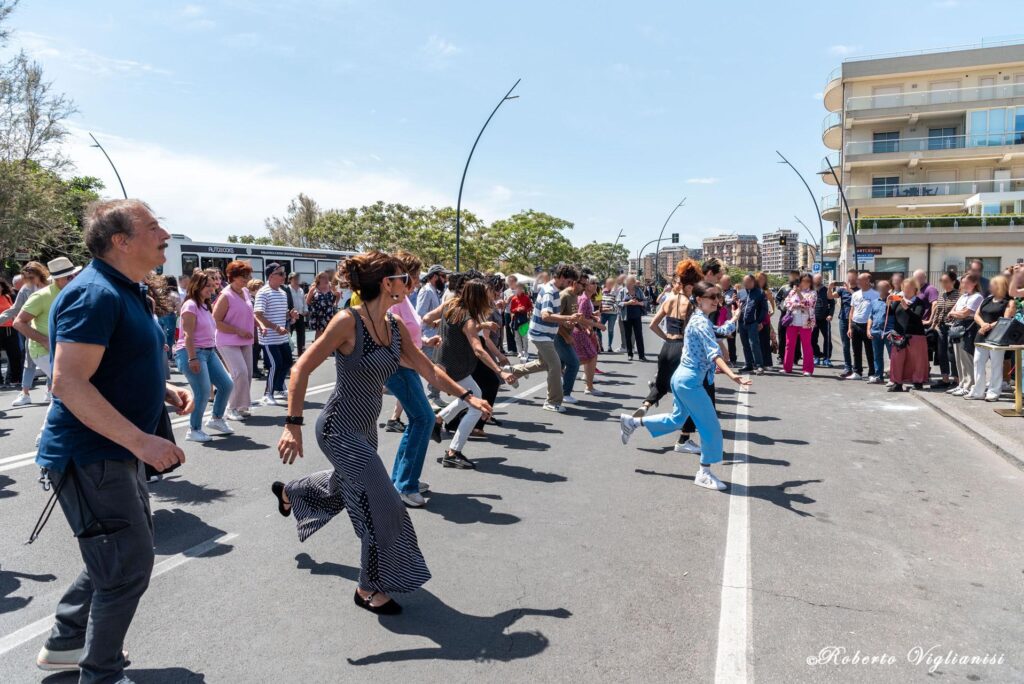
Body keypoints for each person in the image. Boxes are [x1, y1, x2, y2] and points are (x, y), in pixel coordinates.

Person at [272, 252, 492, 615]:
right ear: (387, 284)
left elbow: (430, 372)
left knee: (344, 487)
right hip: (338, 428)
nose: (409, 284)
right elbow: (300, 369)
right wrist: (291, 424)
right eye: (404, 278)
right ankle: (368, 587)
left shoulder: (395, 327)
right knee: (381, 505)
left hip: (365, 429)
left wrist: (468, 396)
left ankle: (292, 494)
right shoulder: (347, 322)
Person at [33, 199, 193, 681]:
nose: (164, 232)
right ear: (121, 241)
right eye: (152, 226)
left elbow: (111, 362)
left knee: (118, 555)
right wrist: (143, 442)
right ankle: (100, 673)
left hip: (111, 452)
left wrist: (160, 388)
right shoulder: (94, 293)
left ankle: (65, 642)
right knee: (127, 565)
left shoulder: (125, 289)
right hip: (92, 454)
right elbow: (69, 382)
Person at [619, 281, 749, 491]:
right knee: (711, 427)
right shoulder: (699, 322)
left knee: (677, 419)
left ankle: (632, 423)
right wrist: (732, 374)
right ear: (699, 299)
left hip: (684, 379)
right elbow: (713, 352)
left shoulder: (700, 319)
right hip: (689, 382)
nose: (717, 301)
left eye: (718, 296)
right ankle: (704, 473)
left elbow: (718, 331)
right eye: (712, 297)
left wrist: (735, 317)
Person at [431, 279, 516, 467]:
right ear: (477, 297)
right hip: (457, 367)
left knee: (470, 397)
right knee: (477, 406)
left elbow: (432, 320)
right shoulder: (467, 317)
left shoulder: (451, 305)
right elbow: (478, 349)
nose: (489, 299)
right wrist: (499, 371)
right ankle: (453, 452)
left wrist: (481, 326)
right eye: (486, 295)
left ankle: (438, 419)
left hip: (444, 363)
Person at [635, 259, 707, 453]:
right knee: (692, 395)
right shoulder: (692, 305)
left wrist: (667, 337)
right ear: (691, 285)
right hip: (682, 349)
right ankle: (684, 439)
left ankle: (647, 404)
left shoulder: (670, 300)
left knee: (661, 384)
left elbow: (653, 324)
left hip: (667, 347)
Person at [384, 251, 438, 507]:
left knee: (419, 420)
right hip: (401, 367)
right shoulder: (394, 302)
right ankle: (405, 484)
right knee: (424, 419)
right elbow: (393, 341)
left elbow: (410, 334)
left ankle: (403, 478)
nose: (416, 281)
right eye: (413, 276)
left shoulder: (403, 300)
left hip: (408, 366)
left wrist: (425, 340)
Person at [14, 257, 82, 444]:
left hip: (63, 350)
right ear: (57, 279)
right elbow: (18, 323)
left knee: (64, 390)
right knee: (66, 389)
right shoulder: (41, 296)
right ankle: (46, 435)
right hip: (43, 351)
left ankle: (55, 433)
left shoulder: (71, 292)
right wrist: (45, 340)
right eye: (69, 277)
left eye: (74, 275)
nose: (73, 279)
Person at [509, 264, 582, 413]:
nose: (570, 286)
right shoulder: (550, 291)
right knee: (555, 366)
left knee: (544, 364)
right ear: (561, 277)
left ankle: (513, 371)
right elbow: (546, 315)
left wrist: (564, 320)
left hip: (544, 334)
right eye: (569, 282)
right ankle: (552, 402)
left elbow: (550, 316)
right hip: (541, 335)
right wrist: (568, 317)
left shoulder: (552, 289)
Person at [174, 271, 235, 441]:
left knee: (226, 385)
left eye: (212, 285)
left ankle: (216, 419)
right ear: (197, 286)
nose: (212, 288)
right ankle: (193, 430)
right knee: (202, 391)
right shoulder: (190, 305)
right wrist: (192, 358)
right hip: (192, 352)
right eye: (207, 285)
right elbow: (188, 335)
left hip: (209, 351)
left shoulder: (205, 305)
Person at [213, 260, 256, 422]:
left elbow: (248, 313)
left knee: (248, 373)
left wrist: (260, 326)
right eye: (243, 276)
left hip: (246, 340)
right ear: (233, 277)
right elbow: (215, 321)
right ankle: (230, 408)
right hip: (227, 340)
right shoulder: (226, 295)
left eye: (247, 276)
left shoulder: (244, 291)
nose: (246, 279)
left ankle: (241, 406)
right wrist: (238, 330)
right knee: (240, 373)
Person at [967, 275, 1014, 401]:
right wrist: (982, 325)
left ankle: (994, 391)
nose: (990, 286)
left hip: (997, 337)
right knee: (978, 362)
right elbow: (977, 314)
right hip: (981, 334)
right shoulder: (987, 299)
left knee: (996, 364)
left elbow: (1006, 319)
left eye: (993, 284)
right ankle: (978, 391)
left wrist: (988, 326)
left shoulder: (1009, 302)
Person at [254, 263, 293, 406]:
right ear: (271, 276)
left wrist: (290, 315)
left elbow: (282, 315)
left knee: (288, 362)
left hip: (281, 337)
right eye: (281, 274)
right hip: (269, 338)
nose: (284, 276)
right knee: (275, 365)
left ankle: (279, 387)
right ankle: (267, 394)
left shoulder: (283, 292)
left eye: (284, 273)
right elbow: (258, 315)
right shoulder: (263, 292)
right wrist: (276, 327)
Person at [884, 278, 930, 392]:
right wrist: (888, 303)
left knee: (917, 361)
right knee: (897, 360)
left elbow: (917, 317)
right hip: (899, 334)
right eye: (905, 288)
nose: (907, 290)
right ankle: (897, 383)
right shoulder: (898, 299)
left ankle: (918, 382)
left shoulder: (919, 302)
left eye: (910, 288)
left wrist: (906, 307)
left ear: (915, 289)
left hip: (916, 335)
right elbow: (889, 314)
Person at [945, 274, 984, 397]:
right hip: (958, 327)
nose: (963, 285)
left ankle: (969, 385)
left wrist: (956, 313)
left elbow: (965, 313)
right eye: (962, 282)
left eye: (966, 282)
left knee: (967, 357)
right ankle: (962, 383)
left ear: (974, 283)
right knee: (958, 358)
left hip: (968, 328)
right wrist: (957, 313)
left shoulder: (977, 296)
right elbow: (953, 311)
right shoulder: (963, 297)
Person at [416, 264, 448, 407]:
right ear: (434, 276)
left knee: (438, 367)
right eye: (443, 276)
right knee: (433, 369)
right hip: (428, 337)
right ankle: (431, 398)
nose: (445, 279)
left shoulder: (435, 291)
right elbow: (420, 315)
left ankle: (434, 396)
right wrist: (435, 323)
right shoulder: (427, 291)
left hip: (435, 337)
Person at [844, 272, 879, 380]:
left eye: (860, 279)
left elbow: (876, 311)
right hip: (855, 324)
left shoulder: (875, 294)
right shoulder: (855, 294)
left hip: (868, 326)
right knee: (856, 350)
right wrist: (850, 327)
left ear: (867, 281)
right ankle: (857, 372)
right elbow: (851, 311)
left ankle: (872, 373)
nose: (857, 281)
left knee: (870, 351)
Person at [928, 272, 960, 389]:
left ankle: (956, 379)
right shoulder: (942, 294)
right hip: (941, 327)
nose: (944, 284)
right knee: (941, 354)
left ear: (953, 281)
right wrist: (933, 325)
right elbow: (938, 311)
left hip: (952, 327)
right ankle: (945, 378)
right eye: (942, 281)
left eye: (946, 281)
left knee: (952, 353)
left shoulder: (959, 295)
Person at [574, 276, 605, 396]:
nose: (595, 285)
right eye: (592, 283)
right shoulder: (584, 299)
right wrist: (594, 325)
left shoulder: (587, 299)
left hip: (583, 331)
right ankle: (588, 387)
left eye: (596, 283)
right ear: (586, 286)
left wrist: (593, 315)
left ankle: (588, 386)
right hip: (580, 332)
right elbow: (580, 318)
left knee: (588, 358)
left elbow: (584, 315)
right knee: (588, 358)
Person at [555, 275, 584, 403]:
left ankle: (557, 392)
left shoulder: (575, 296)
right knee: (574, 363)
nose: (585, 287)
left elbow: (570, 316)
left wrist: (579, 325)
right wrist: (566, 336)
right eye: (582, 284)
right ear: (574, 283)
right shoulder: (564, 296)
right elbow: (555, 319)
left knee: (558, 366)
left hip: (567, 335)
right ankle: (565, 393)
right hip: (559, 336)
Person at [782, 273, 816, 376]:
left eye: (808, 281)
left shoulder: (812, 293)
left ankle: (808, 369)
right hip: (792, 321)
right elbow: (786, 303)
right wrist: (797, 305)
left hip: (806, 322)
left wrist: (800, 297)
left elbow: (809, 303)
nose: (805, 283)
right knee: (789, 345)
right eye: (804, 280)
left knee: (806, 346)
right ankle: (787, 367)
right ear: (800, 281)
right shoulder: (792, 292)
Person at [829, 270, 857, 376]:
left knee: (855, 345)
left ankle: (857, 368)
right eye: (849, 277)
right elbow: (830, 296)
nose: (850, 279)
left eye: (852, 277)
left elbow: (860, 298)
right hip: (843, 319)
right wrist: (830, 287)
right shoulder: (842, 290)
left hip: (856, 320)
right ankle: (847, 367)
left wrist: (849, 290)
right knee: (845, 345)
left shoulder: (859, 290)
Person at [738, 274, 767, 375]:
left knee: (754, 344)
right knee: (745, 345)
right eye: (744, 282)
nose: (745, 284)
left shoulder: (760, 293)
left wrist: (759, 321)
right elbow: (737, 306)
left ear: (753, 282)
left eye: (747, 282)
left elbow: (764, 309)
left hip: (753, 323)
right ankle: (748, 364)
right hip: (742, 323)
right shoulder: (740, 292)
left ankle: (759, 365)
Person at [0, 276, 23, 389]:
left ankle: (15, 379)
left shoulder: (8, 297)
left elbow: (14, 310)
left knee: (15, 354)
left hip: (10, 329)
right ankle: (0, 381)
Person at [618, 275, 647, 361]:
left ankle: (641, 355)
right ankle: (630, 354)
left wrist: (638, 303)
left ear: (634, 283)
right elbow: (618, 303)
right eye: (627, 283)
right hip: (626, 316)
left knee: (639, 335)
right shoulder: (622, 291)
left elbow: (645, 302)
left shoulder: (638, 290)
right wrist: (628, 303)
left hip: (637, 316)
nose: (629, 285)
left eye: (630, 283)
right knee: (628, 335)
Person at [775, 270, 801, 364]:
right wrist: (780, 306)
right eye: (791, 276)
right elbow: (777, 298)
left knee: (797, 337)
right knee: (782, 335)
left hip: (797, 316)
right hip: (785, 315)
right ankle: (781, 356)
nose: (793, 278)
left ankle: (796, 357)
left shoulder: (801, 287)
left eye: (795, 276)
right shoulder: (784, 287)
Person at [305, 271, 339, 341]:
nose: (326, 279)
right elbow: (307, 301)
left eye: (327, 277)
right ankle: (317, 349)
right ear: (319, 279)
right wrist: (313, 308)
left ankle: (329, 349)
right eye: (324, 277)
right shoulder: (314, 289)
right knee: (319, 333)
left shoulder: (331, 287)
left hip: (329, 314)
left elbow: (338, 294)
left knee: (329, 331)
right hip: (318, 314)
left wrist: (335, 304)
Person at [755, 272, 777, 368]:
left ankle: (767, 363)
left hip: (765, 320)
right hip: (754, 320)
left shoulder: (767, 291)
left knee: (765, 342)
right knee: (755, 343)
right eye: (759, 279)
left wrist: (767, 316)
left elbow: (772, 308)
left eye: (763, 279)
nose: (761, 281)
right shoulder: (751, 290)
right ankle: (756, 362)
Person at [246, 278, 266, 379]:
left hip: (255, 327)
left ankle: (255, 368)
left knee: (256, 349)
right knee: (254, 350)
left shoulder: (253, 299)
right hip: (252, 327)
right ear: (254, 288)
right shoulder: (251, 299)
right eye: (260, 288)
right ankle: (254, 369)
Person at [509, 282, 533, 362]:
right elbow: (511, 310)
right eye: (517, 288)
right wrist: (517, 309)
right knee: (517, 337)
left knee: (524, 337)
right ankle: (520, 352)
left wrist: (524, 309)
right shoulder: (513, 299)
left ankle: (525, 352)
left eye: (520, 288)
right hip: (516, 319)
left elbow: (531, 307)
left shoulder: (526, 298)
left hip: (524, 319)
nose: (519, 290)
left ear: (523, 289)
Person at [719, 274, 739, 365]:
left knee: (731, 340)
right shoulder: (718, 290)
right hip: (719, 319)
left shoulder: (733, 291)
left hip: (730, 318)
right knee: (718, 340)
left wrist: (731, 302)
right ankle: (720, 359)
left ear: (729, 282)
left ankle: (733, 359)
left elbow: (734, 304)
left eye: (726, 282)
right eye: (722, 282)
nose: (724, 284)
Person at [287, 273, 308, 355]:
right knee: (289, 333)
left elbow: (304, 301)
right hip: (291, 315)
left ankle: (301, 351)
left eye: (298, 279)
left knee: (301, 334)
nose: (297, 280)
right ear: (290, 279)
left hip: (300, 314)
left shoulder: (301, 290)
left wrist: (305, 309)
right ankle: (288, 351)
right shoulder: (287, 289)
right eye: (295, 279)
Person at [599, 277, 619, 353]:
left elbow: (617, 303)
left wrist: (608, 309)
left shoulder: (616, 292)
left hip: (612, 314)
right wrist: (602, 309)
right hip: (603, 313)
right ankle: (600, 345)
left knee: (610, 330)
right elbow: (599, 302)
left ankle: (609, 346)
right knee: (598, 329)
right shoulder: (602, 291)